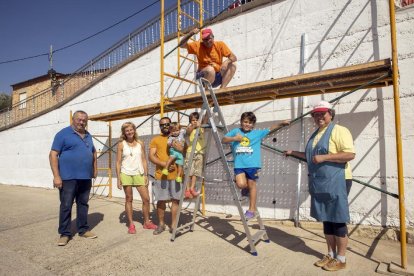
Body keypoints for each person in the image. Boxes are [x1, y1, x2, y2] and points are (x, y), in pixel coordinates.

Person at [284, 101, 355, 272]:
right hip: (321, 182)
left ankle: (341, 258)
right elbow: (311, 157)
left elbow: (350, 154)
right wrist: (293, 152)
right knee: (326, 220)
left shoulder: (339, 130)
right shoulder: (316, 134)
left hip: (338, 180)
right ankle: (330, 254)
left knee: (337, 220)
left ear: (331, 114)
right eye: (316, 114)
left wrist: (324, 158)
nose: (319, 117)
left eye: (322, 113)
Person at [222, 112, 289, 220]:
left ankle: (251, 210)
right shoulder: (236, 131)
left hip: (252, 165)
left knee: (252, 184)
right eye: (245, 122)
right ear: (241, 122)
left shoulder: (256, 133)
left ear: (253, 124)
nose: (247, 124)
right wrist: (234, 138)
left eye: (250, 123)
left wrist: (281, 123)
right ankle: (246, 189)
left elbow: (270, 129)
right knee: (240, 184)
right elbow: (223, 140)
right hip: (239, 164)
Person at [49, 110, 98, 246]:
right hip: (67, 178)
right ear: (73, 119)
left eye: (84, 120)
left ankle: (83, 229)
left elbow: (93, 152)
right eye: (79, 119)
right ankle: (65, 233)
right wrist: (56, 176)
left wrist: (95, 169)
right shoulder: (63, 134)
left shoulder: (88, 135)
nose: (82, 122)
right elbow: (53, 155)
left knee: (83, 204)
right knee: (66, 205)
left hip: (85, 178)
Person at [116, 122, 157, 234]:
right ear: (124, 132)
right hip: (126, 173)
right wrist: (118, 178)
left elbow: (144, 159)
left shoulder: (140, 143)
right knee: (129, 198)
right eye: (127, 130)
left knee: (146, 199)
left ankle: (147, 222)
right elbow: (118, 162)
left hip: (139, 173)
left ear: (134, 130)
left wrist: (146, 175)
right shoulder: (121, 144)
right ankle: (131, 224)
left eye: (131, 129)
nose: (129, 132)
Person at [149, 117, 184, 235]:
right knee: (161, 201)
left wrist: (182, 148)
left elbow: (185, 151)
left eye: (167, 124)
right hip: (161, 176)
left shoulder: (179, 137)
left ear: (170, 125)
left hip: (176, 175)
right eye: (162, 125)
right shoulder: (155, 140)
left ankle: (173, 225)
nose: (164, 126)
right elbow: (151, 156)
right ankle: (161, 224)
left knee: (175, 200)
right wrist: (164, 164)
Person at [184, 112, 208, 199]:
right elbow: (188, 132)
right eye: (192, 120)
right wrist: (194, 126)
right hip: (191, 152)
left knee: (196, 172)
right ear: (190, 122)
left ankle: (192, 188)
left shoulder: (202, 128)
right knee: (188, 172)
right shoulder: (190, 128)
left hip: (200, 152)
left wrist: (207, 112)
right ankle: (187, 189)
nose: (194, 121)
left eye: (196, 120)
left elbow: (205, 120)